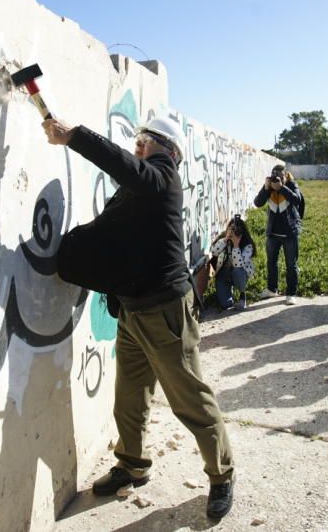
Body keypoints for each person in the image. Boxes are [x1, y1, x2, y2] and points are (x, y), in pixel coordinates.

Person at [42, 115, 235, 520]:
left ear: (161, 147)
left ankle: (221, 475)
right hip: (132, 308)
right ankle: (132, 465)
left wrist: (73, 136)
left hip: (165, 311)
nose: (136, 146)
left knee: (190, 398)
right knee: (130, 397)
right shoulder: (139, 187)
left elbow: (126, 167)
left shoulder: (162, 178)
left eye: (142, 141)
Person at [253, 164, 304, 305]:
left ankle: (291, 293)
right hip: (273, 233)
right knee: (271, 263)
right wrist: (265, 188)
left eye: (280, 176)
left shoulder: (291, 185)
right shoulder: (268, 189)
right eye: (275, 176)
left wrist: (281, 188)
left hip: (289, 232)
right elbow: (258, 203)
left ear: (285, 175)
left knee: (291, 264)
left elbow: (297, 200)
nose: (277, 179)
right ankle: (272, 289)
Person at [209, 214, 255, 312]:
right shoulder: (223, 239)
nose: (234, 233)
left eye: (236, 230)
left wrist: (236, 246)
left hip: (239, 273)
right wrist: (226, 239)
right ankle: (229, 292)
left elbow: (238, 265)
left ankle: (242, 295)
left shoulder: (247, 245)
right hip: (223, 274)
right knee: (225, 304)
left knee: (238, 271)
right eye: (231, 229)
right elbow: (214, 252)